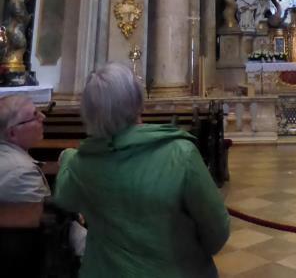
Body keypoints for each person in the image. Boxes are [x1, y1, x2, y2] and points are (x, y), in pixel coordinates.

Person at [54, 62, 230, 277]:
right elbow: (217, 230)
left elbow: (64, 198)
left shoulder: (80, 163)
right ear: (138, 103)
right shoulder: (179, 153)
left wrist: (68, 157)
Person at [0, 94, 50, 275]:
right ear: (13, 132)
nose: (43, 118)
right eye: (35, 116)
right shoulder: (22, 173)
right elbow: (32, 230)